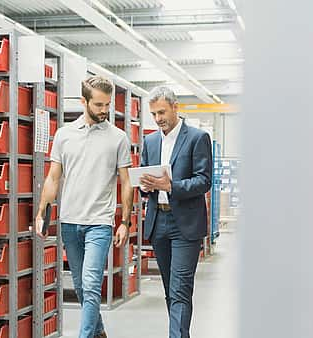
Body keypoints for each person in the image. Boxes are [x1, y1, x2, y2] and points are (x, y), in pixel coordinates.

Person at [34, 76, 134, 338]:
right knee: (80, 287)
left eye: (107, 105)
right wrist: (42, 213)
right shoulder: (64, 135)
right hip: (70, 221)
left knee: (91, 285)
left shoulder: (118, 138)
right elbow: (53, 177)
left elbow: (126, 181)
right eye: (99, 105)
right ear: (83, 102)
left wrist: (125, 221)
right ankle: (99, 332)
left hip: (100, 222)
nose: (104, 110)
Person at [139, 86, 212, 338]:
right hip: (158, 221)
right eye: (154, 114)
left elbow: (204, 181)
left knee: (180, 289)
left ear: (175, 107)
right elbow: (143, 178)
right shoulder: (149, 141)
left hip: (185, 224)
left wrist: (172, 186)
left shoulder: (197, 138)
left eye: (161, 112)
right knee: (171, 290)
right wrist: (144, 186)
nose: (158, 118)